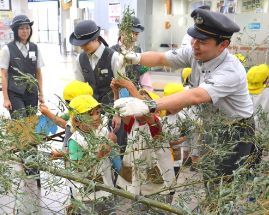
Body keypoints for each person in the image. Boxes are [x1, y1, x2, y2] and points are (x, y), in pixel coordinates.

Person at [115, 9, 254, 181]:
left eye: (202, 41)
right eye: (194, 38)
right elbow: (160, 59)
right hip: (212, 125)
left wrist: (149, 105)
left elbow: (196, 95)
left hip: (235, 130)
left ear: (223, 45)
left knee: (223, 182)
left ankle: (217, 206)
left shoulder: (230, 70)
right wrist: (135, 57)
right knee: (210, 176)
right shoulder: (194, 52)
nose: (195, 44)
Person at [111, 78, 175, 211]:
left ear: (156, 111)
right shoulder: (132, 123)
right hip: (138, 183)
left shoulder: (156, 124)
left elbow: (146, 110)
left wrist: (130, 87)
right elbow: (120, 108)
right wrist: (115, 92)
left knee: (159, 209)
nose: (137, 106)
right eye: (135, 103)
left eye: (141, 102)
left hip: (157, 184)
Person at [69, 20, 123, 133]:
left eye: (85, 43)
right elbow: (79, 88)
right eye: (80, 44)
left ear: (96, 38)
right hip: (91, 116)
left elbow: (122, 89)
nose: (82, 47)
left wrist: (118, 114)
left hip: (112, 114)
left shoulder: (114, 57)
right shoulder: (80, 58)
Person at [66, 95, 116, 214]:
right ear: (76, 121)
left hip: (107, 189)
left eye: (98, 112)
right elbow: (80, 168)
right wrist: (100, 155)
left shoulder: (101, 132)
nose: (96, 118)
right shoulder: (76, 141)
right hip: (87, 195)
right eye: (90, 114)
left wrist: (111, 143)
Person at [0, 15, 45, 119]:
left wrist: (41, 94)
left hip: (32, 93)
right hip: (15, 94)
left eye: (27, 28)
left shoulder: (35, 48)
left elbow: (38, 73)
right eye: (21, 28)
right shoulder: (7, 49)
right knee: (21, 124)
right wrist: (6, 98)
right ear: (15, 30)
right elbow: (4, 75)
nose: (25, 31)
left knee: (32, 122)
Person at [39, 80, 94, 158]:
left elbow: (64, 124)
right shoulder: (91, 114)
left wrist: (48, 113)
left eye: (67, 102)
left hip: (76, 161)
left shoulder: (83, 120)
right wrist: (48, 112)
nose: (66, 104)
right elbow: (60, 118)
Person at [111, 16, 153, 92]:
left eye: (136, 34)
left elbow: (145, 81)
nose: (133, 37)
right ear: (121, 32)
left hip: (134, 97)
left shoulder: (139, 51)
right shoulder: (111, 52)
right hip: (114, 97)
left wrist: (147, 96)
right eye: (130, 33)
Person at [247, 64, 269, 166]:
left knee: (245, 153)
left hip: (244, 129)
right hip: (260, 130)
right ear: (265, 80)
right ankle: (252, 175)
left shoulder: (243, 91)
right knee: (256, 153)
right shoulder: (266, 92)